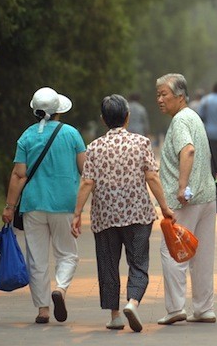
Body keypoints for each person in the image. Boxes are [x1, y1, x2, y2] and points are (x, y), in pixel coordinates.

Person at [71, 95, 175, 332]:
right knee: (138, 263)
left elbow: (87, 182)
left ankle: (115, 315)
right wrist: (165, 208)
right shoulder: (141, 143)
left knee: (108, 264)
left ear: (103, 119)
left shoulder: (94, 147)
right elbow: (151, 177)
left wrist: (77, 214)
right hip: (138, 215)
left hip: (105, 216)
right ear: (127, 117)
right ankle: (133, 302)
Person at [2, 87, 86, 324]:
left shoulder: (27, 136)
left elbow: (19, 175)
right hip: (65, 205)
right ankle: (60, 288)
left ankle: (42, 310)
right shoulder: (71, 134)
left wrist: (9, 207)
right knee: (67, 254)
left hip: (33, 206)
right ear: (58, 110)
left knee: (36, 259)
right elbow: (85, 170)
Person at [155, 73, 217, 325]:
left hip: (186, 200)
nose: (159, 99)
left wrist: (182, 187)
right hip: (206, 197)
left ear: (179, 96)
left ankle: (175, 308)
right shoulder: (193, 116)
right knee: (201, 254)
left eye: (163, 94)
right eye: (157, 95)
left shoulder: (180, 121)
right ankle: (204, 309)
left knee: (172, 250)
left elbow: (188, 150)